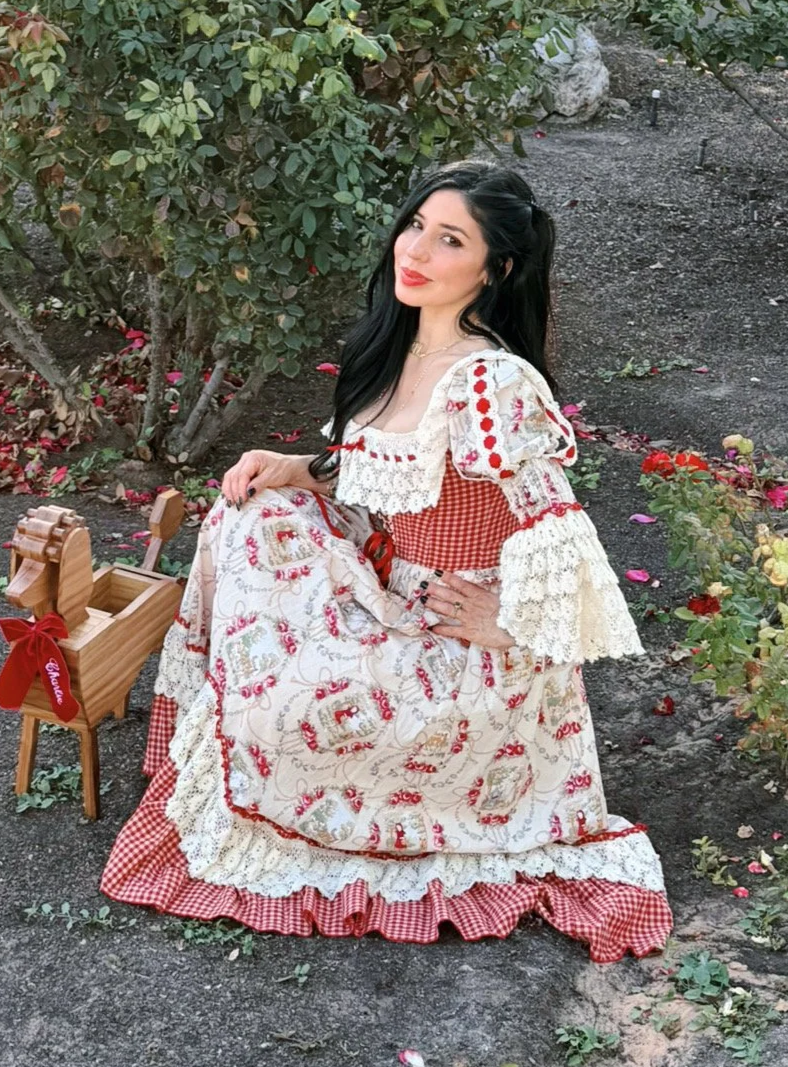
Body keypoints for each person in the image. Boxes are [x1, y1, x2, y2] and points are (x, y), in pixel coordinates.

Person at [101, 159, 673, 963]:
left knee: (284, 711)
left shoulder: (489, 383)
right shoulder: (400, 345)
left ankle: (310, 770)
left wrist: (507, 623)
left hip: (458, 634)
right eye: (415, 226)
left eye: (449, 240)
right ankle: (248, 737)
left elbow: (559, 530)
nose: (417, 251)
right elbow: (373, 472)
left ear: (494, 268)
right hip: (393, 584)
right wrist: (293, 465)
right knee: (250, 516)